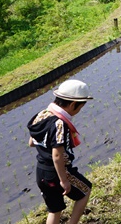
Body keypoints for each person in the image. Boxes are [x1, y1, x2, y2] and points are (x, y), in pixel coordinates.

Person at [27, 79, 94, 224]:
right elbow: (57, 156)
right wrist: (63, 180)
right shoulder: (60, 124)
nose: (79, 111)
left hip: (42, 173)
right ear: (72, 104)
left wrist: (46, 147)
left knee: (55, 209)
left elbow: (32, 142)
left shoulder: (42, 115)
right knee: (85, 191)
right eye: (80, 107)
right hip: (58, 173)